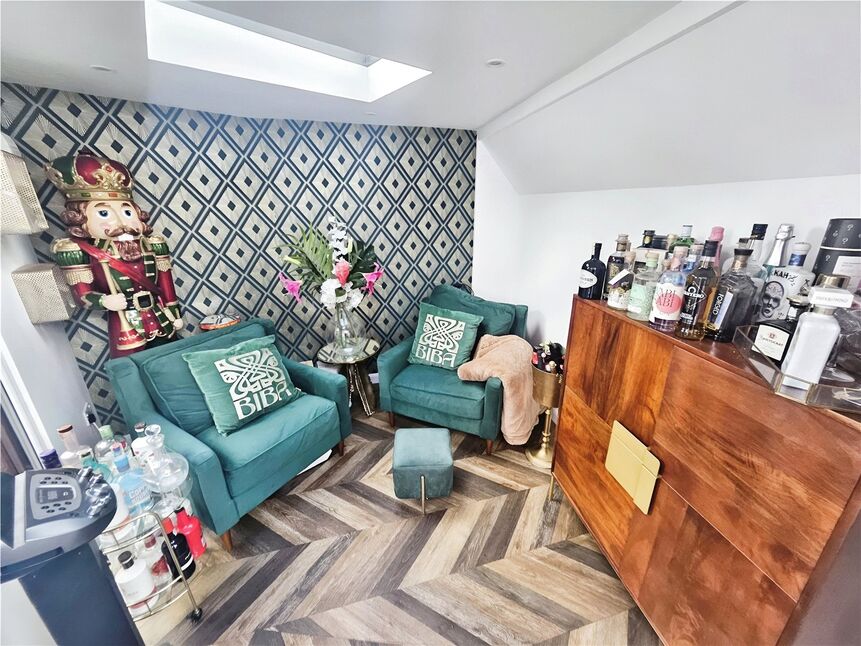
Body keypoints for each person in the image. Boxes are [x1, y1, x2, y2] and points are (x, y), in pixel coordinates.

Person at [47, 149, 183, 357]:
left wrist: (174, 311)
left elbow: (165, 283)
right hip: (125, 320)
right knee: (131, 363)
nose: (121, 221)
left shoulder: (153, 244)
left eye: (127, 212)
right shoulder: (76, 249)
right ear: (80, 218)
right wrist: (104, 301)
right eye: (104, 213)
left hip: (159, 313)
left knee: (174, 353)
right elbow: (83, 295)